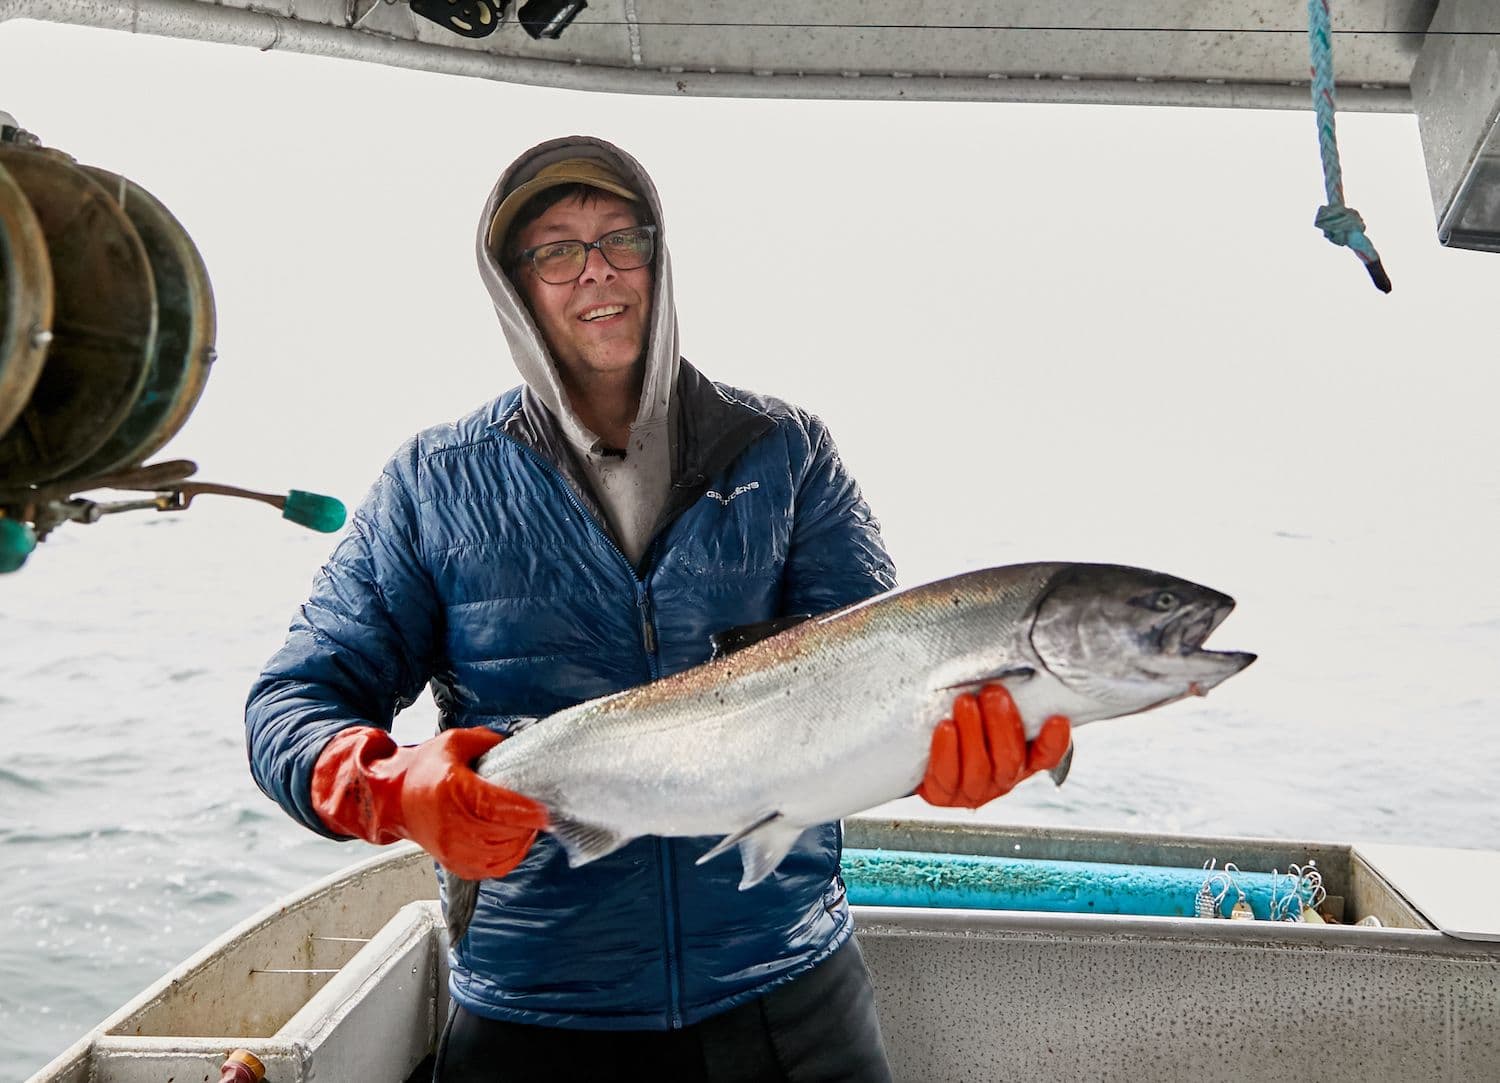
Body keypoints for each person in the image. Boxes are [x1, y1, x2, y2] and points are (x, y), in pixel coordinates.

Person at [245, 135, 1071, 1082]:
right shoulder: (435, 483)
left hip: (785, 990)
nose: (596, 270)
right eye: (556, 249)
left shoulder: (786, 455)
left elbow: (885, 666)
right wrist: (390, 786)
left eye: (620, 238)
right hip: (536, 1006)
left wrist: (946, 750)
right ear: (515, 287)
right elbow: (291, 701)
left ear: (658, 257)